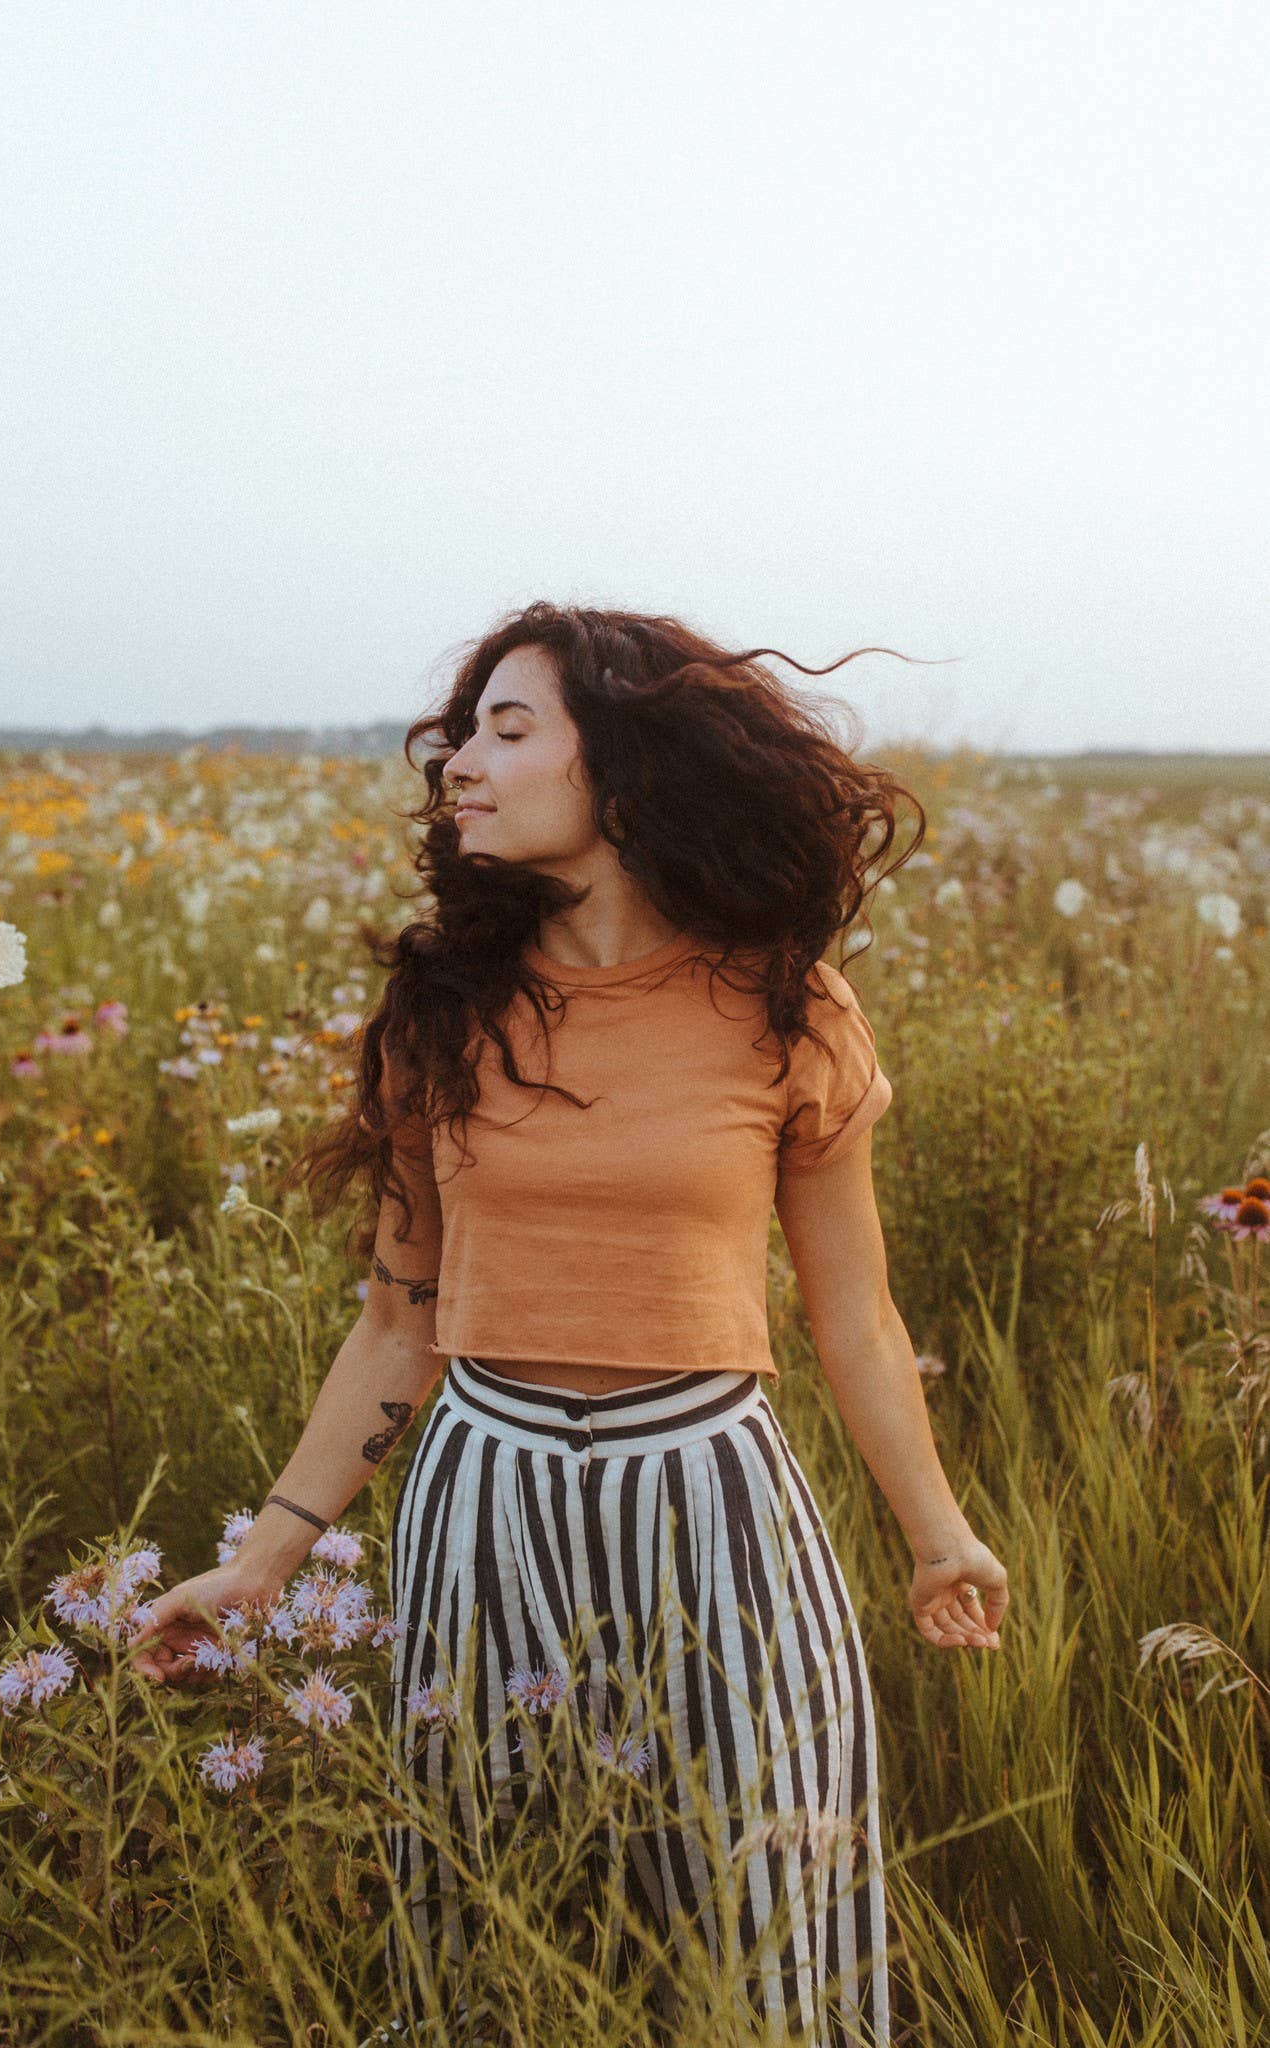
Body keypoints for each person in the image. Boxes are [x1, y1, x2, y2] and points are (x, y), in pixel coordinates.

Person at [130, 602, 1010, 2045]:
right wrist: (262, 1562)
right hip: (485, 1497)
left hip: (713, 1500)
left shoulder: (787, 1008)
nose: (459, 764)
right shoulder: (445, 1009)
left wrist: (937, 1537)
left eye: (507, 729)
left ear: (624, 765)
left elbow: (854, 1313)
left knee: (762, 1915)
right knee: (486, 1929)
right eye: (463, 734)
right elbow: (399, 1321)